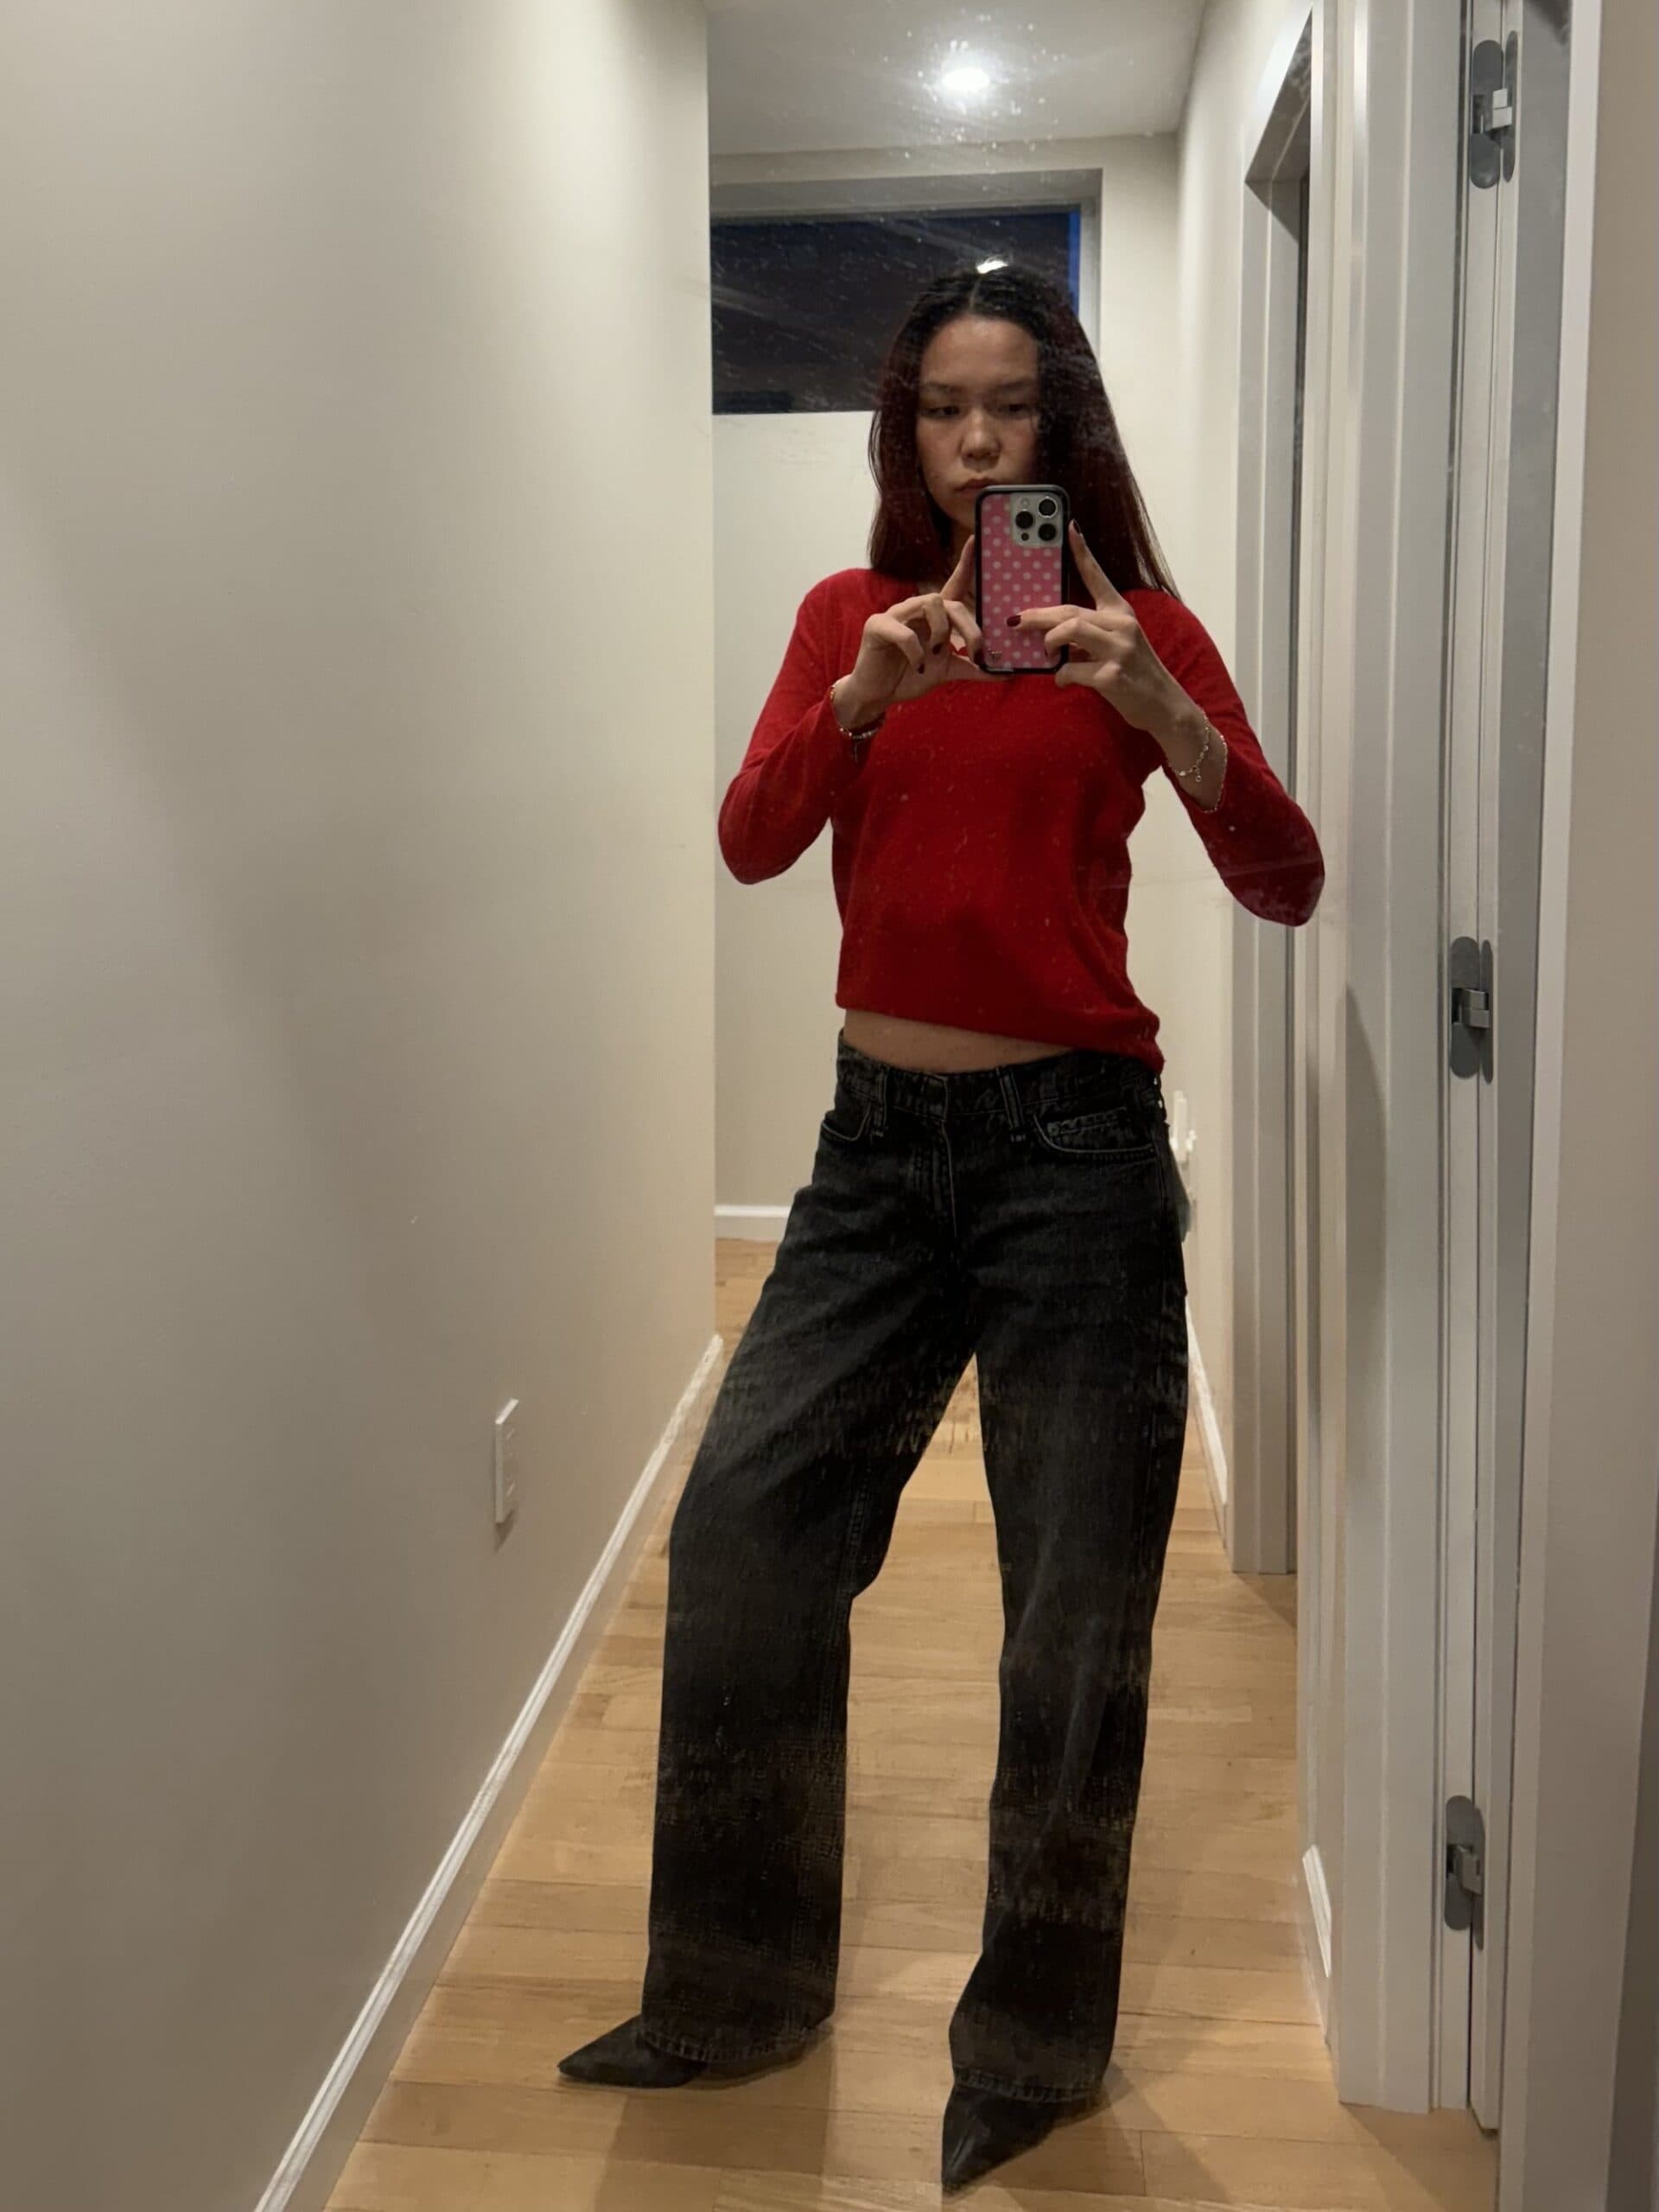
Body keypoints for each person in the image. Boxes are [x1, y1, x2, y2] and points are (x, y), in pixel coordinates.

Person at [559, 265, 1324, 2194]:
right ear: (905, 433)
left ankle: (1034, 2047)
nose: (979, 444)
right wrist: (859, 701)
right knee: (746, 1532)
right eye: (943, 411)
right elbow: (751, 839)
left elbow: (1286, 876)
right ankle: (735, 1993)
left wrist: (1156, 701)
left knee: (1074, 1615)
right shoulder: (853, 619)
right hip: (874, 1157)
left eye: (1011, 408)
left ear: (1061, 426)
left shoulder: (1136, 629)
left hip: (1078, 1156)